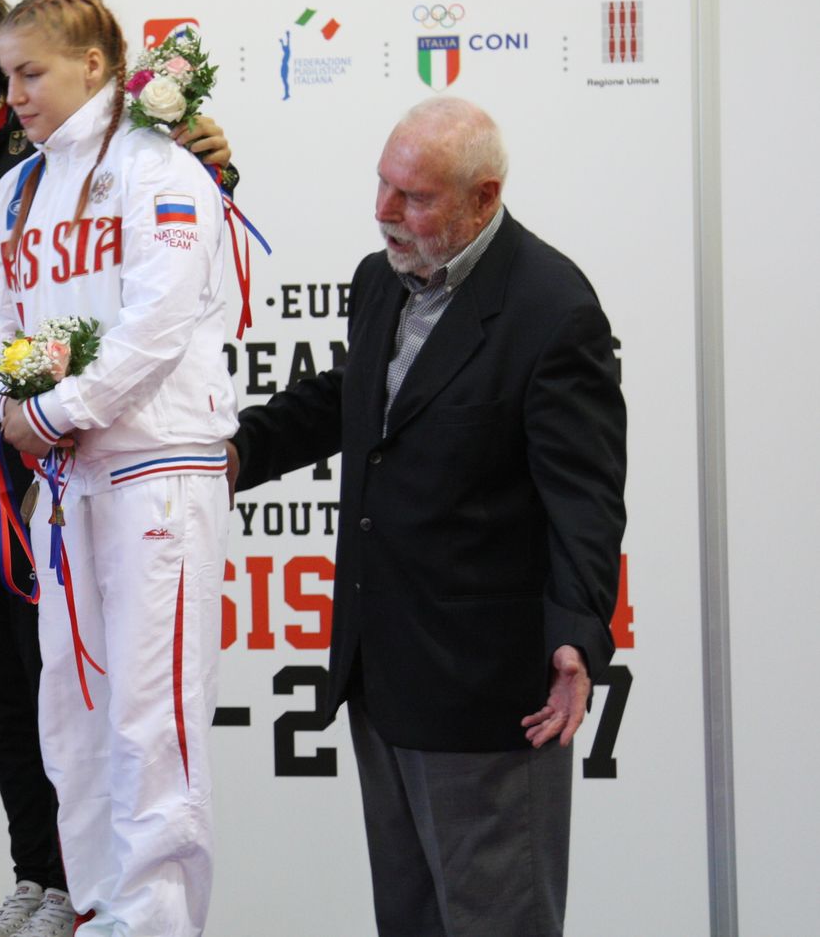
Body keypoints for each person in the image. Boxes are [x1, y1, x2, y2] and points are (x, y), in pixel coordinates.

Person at [0, 0, 232, 937]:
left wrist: (60, 403)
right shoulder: (24, 185)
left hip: (157, 470)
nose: (14, 94)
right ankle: (91, 904)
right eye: (10, 75)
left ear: (94, 63)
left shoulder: (161, 165)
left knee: (148, 717)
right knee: (71, 719)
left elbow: (158, 322)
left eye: (29, 74)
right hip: (64, 480)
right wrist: (9, 402)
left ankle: (152, 923)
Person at [228, 96, 626, 937]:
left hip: (487, 692)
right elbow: (356, 397)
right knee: (410, 919)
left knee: (495, 921)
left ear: (484, 197)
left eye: (413, 196)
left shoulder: (553, 311)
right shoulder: (383, 277)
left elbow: (584, 496)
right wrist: (236, 453)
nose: (384, 211)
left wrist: (578, 634)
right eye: (382, 184)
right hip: (384, 671)